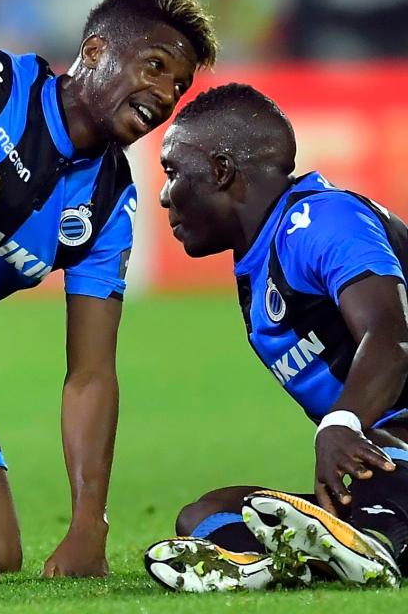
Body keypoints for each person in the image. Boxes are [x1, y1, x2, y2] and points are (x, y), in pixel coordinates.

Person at [0, 0, 218, 577]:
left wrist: (88, 525)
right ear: (96, 51)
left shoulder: (108, 202)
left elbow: (91, 374)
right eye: (155, 67)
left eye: (179, 86)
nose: (165, 95)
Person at [144, 83, 408, 591]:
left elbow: (391, 333)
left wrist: (343, 423)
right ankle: (315, 558)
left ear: (221, 172)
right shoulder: (260, 263)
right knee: (207, 515)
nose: (163, 194)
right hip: (386, 467)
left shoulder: (320, 220)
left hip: (396, 454)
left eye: (173, 171)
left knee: (385, 466)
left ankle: (371, 543)